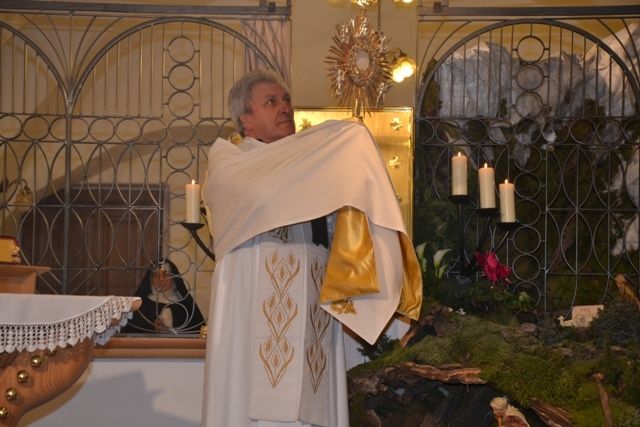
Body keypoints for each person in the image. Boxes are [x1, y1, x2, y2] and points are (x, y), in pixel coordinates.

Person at [201, 69, 422, 427]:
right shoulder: (230, 163)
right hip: (255, 308)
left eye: (286, 100)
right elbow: (263, 196)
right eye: (271, 102)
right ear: (246, 119)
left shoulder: (310, 166)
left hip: (313, 311)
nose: (285, 108)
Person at [122, 259, 205, 334]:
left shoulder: (186, 305)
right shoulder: (141, 305)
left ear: (174, 278)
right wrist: (153, 328)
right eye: (156, 275)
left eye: (166, 274)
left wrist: (170, 331)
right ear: (150, 279)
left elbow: (198, 332)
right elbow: (129, 331)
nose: (161, 279)